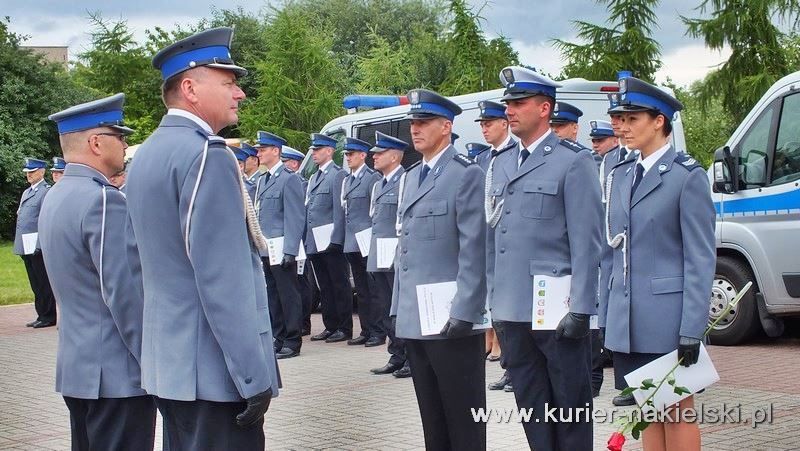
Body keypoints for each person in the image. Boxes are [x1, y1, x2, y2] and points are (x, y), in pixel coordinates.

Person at [125, 27, 280, 450]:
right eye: (228, 82)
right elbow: (221, 279)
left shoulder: (148, 154)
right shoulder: (207, 155)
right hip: (216, 374)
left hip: (171, 368)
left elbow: (138, 263)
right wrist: (252, 375)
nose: (240, 93)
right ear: (190, 88)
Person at [486, 66, 602, 450]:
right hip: (513, 309)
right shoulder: (501, 163)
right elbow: (495, 238)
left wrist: (582, 308)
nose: (510, 111)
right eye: (508, 104)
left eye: (519, 103)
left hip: (556, 309)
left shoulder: (573, 161)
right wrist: (494, 302)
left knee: (569, 409)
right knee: (532, 408)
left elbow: (588, 241)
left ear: (544, 108)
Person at [602, 76, 715, 451]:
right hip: (629, 318)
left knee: (677, 410)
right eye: (620, 117)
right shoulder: (621, 175)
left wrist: (692, 329)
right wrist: (607, 318)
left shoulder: (686, 177)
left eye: (632, 118)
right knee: (645, 408)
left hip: (669, 318)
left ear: (659, 121)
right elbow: (613, 251)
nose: (623, 126)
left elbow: (700, 257)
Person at [41, 93, 156, 451]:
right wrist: (153, 362)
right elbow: (125, 292)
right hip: (116, 375)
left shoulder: (56, 196)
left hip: (78, 369)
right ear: (95, 142)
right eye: (118, 136)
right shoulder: (103, 200)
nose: (124, 145)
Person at [392, 88, 487, 450]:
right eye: (413, 123)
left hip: (451, 319)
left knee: (464, 419)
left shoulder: (465, 174)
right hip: (418, 317)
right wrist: (398, 309)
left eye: (424, 122)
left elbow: (473, 249)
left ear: (446, 126)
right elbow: (408, 249)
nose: (416, 129)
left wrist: (466, 310)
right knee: (432, 418)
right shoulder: (412, 176)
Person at [474, 99, 517, 393]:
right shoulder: (482, 161)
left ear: (505, 123)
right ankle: (509, 369)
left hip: (510, 246)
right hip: (487, 247)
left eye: (489, 123)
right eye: (482, 125)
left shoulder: (516, 155)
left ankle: (517, 369)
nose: (484, 129)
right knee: (496, 309)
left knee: (513, 312)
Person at [253, 131, 305, 359]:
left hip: (282, 247)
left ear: (276, 151)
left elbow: (294, 217)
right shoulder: (264, 180)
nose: (259, 153)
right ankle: (279, 336)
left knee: (288, 295)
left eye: (263, 149)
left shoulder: (288, 178)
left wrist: (290, 250)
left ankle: (292, 340)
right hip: (267, 248)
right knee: (272, 295)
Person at [368, 131, 410, 378]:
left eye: (380, 153)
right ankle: (396, 354)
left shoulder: (404, 180)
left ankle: (409, 356)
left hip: (395, 253)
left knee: (400, 308)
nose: (374, 157)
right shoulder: (378, 185)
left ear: (394, 157)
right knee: (384, 306)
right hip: (378, 253)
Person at [305, 133, 352, 343]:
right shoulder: (314, 177)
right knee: (324, 284)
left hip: (331, 240)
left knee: (339, 283)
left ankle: (344, 326)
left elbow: (338, 210)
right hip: (316, 240)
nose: (314, 153)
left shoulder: (337, 174)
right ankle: (330, 325)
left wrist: (337, 238)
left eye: (318, 150)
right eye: (313, 150)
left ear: (330, 151)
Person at [588, 118, 622, 399]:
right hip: (604, 247)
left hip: (620, 250)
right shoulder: (604, 162)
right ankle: (609, 378)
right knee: (604, 316)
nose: (595, 145)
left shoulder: (620, 161)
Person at [340, 137, 382, 346]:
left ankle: (377, 330)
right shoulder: (348, 180)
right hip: (352, 242)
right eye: (346, 155)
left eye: (351, 154)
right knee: (362, 291)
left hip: (367, 241)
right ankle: (366, 329)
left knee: (373, 289)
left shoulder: (371, 178)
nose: (347, 158)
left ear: (362, 155)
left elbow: (374, 212)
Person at [14, 157, 57, 328]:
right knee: (35, 282)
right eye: (27, 173)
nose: (29, 175)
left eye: (32, 172)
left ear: (41, 171)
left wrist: (40, 243)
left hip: (36, 244)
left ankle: (48, 316)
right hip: (26, 243)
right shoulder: (27, 192)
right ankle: (41, 314)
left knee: (43, 281)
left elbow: (45, 219)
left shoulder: (45, 191)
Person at [281, 146, 313, 335]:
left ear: (294, 163)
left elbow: (298, 214)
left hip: (298, 240)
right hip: (287, 241)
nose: (284, 165)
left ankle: (303, 322)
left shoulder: (298, 182)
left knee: (301, 282)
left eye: (286, 162)